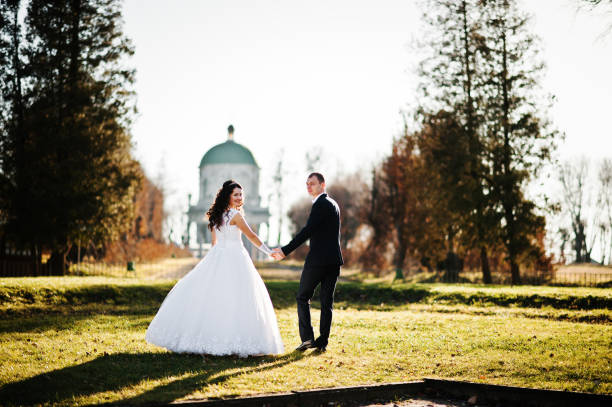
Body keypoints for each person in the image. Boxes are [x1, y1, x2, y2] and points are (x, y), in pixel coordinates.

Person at [145, 180, 284, 356]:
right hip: (235, 256)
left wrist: (213, 261)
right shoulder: (236, 216)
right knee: (237, 297)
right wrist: (269, 251)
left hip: (218, 256)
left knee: (214, 297)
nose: (239, 197)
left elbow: (214, 243)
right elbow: (252, 236)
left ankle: (207, 338)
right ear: (228, 196)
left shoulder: (216, 215)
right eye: (236, 194)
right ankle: (232, 341)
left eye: (241, 194)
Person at [271, 172, 343, 352]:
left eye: (312, 183)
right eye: (307, 184)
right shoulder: (333, 204)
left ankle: (308, 339)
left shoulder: (321, 204)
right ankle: (322, 342)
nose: (309, 186)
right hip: (334, 261)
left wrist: (285, 250)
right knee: (327, 303)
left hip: (318, 261)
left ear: (323, 184)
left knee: (302, 297)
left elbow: (307, 231)